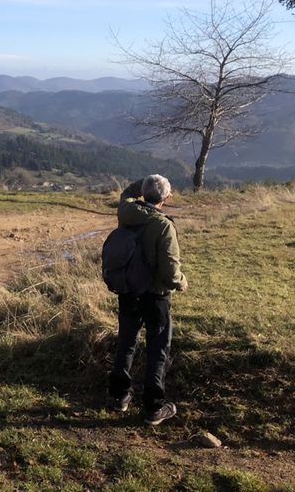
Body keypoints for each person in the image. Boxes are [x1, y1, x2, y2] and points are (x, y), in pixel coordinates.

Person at [108, 174, 188, 426]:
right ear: (166, 198)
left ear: (143, 193)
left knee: (126, 342)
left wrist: (144, 181)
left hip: (129, 289)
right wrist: (182, 282)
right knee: (157, 348)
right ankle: (154, 407)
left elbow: (126, 194)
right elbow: (170, 271)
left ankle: (119, 396)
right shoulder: (163, 225)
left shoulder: (127, 212)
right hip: (155, 295)